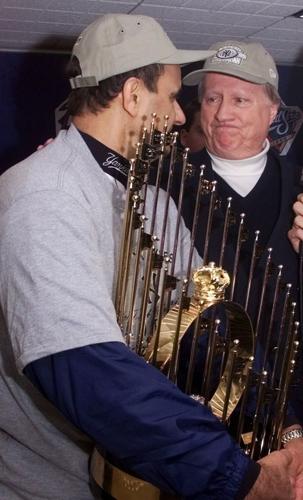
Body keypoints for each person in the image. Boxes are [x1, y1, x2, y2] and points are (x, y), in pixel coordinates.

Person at [0, 15, 302, 500]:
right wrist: (238, 479)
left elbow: (207, 328)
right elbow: (88, 370)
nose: (182, 116)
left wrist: (281, 426)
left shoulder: (151, 200)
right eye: (170, 95)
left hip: (143, 477)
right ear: (134, 97)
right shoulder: (45, 192)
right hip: (48, 484)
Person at [178, 39, 303, 439]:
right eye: (212, 98)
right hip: (201, 409)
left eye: (240, 100)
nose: (223, 113)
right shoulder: (166, 183)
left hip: (296, 399)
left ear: (273, 111)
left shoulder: (300, 184)